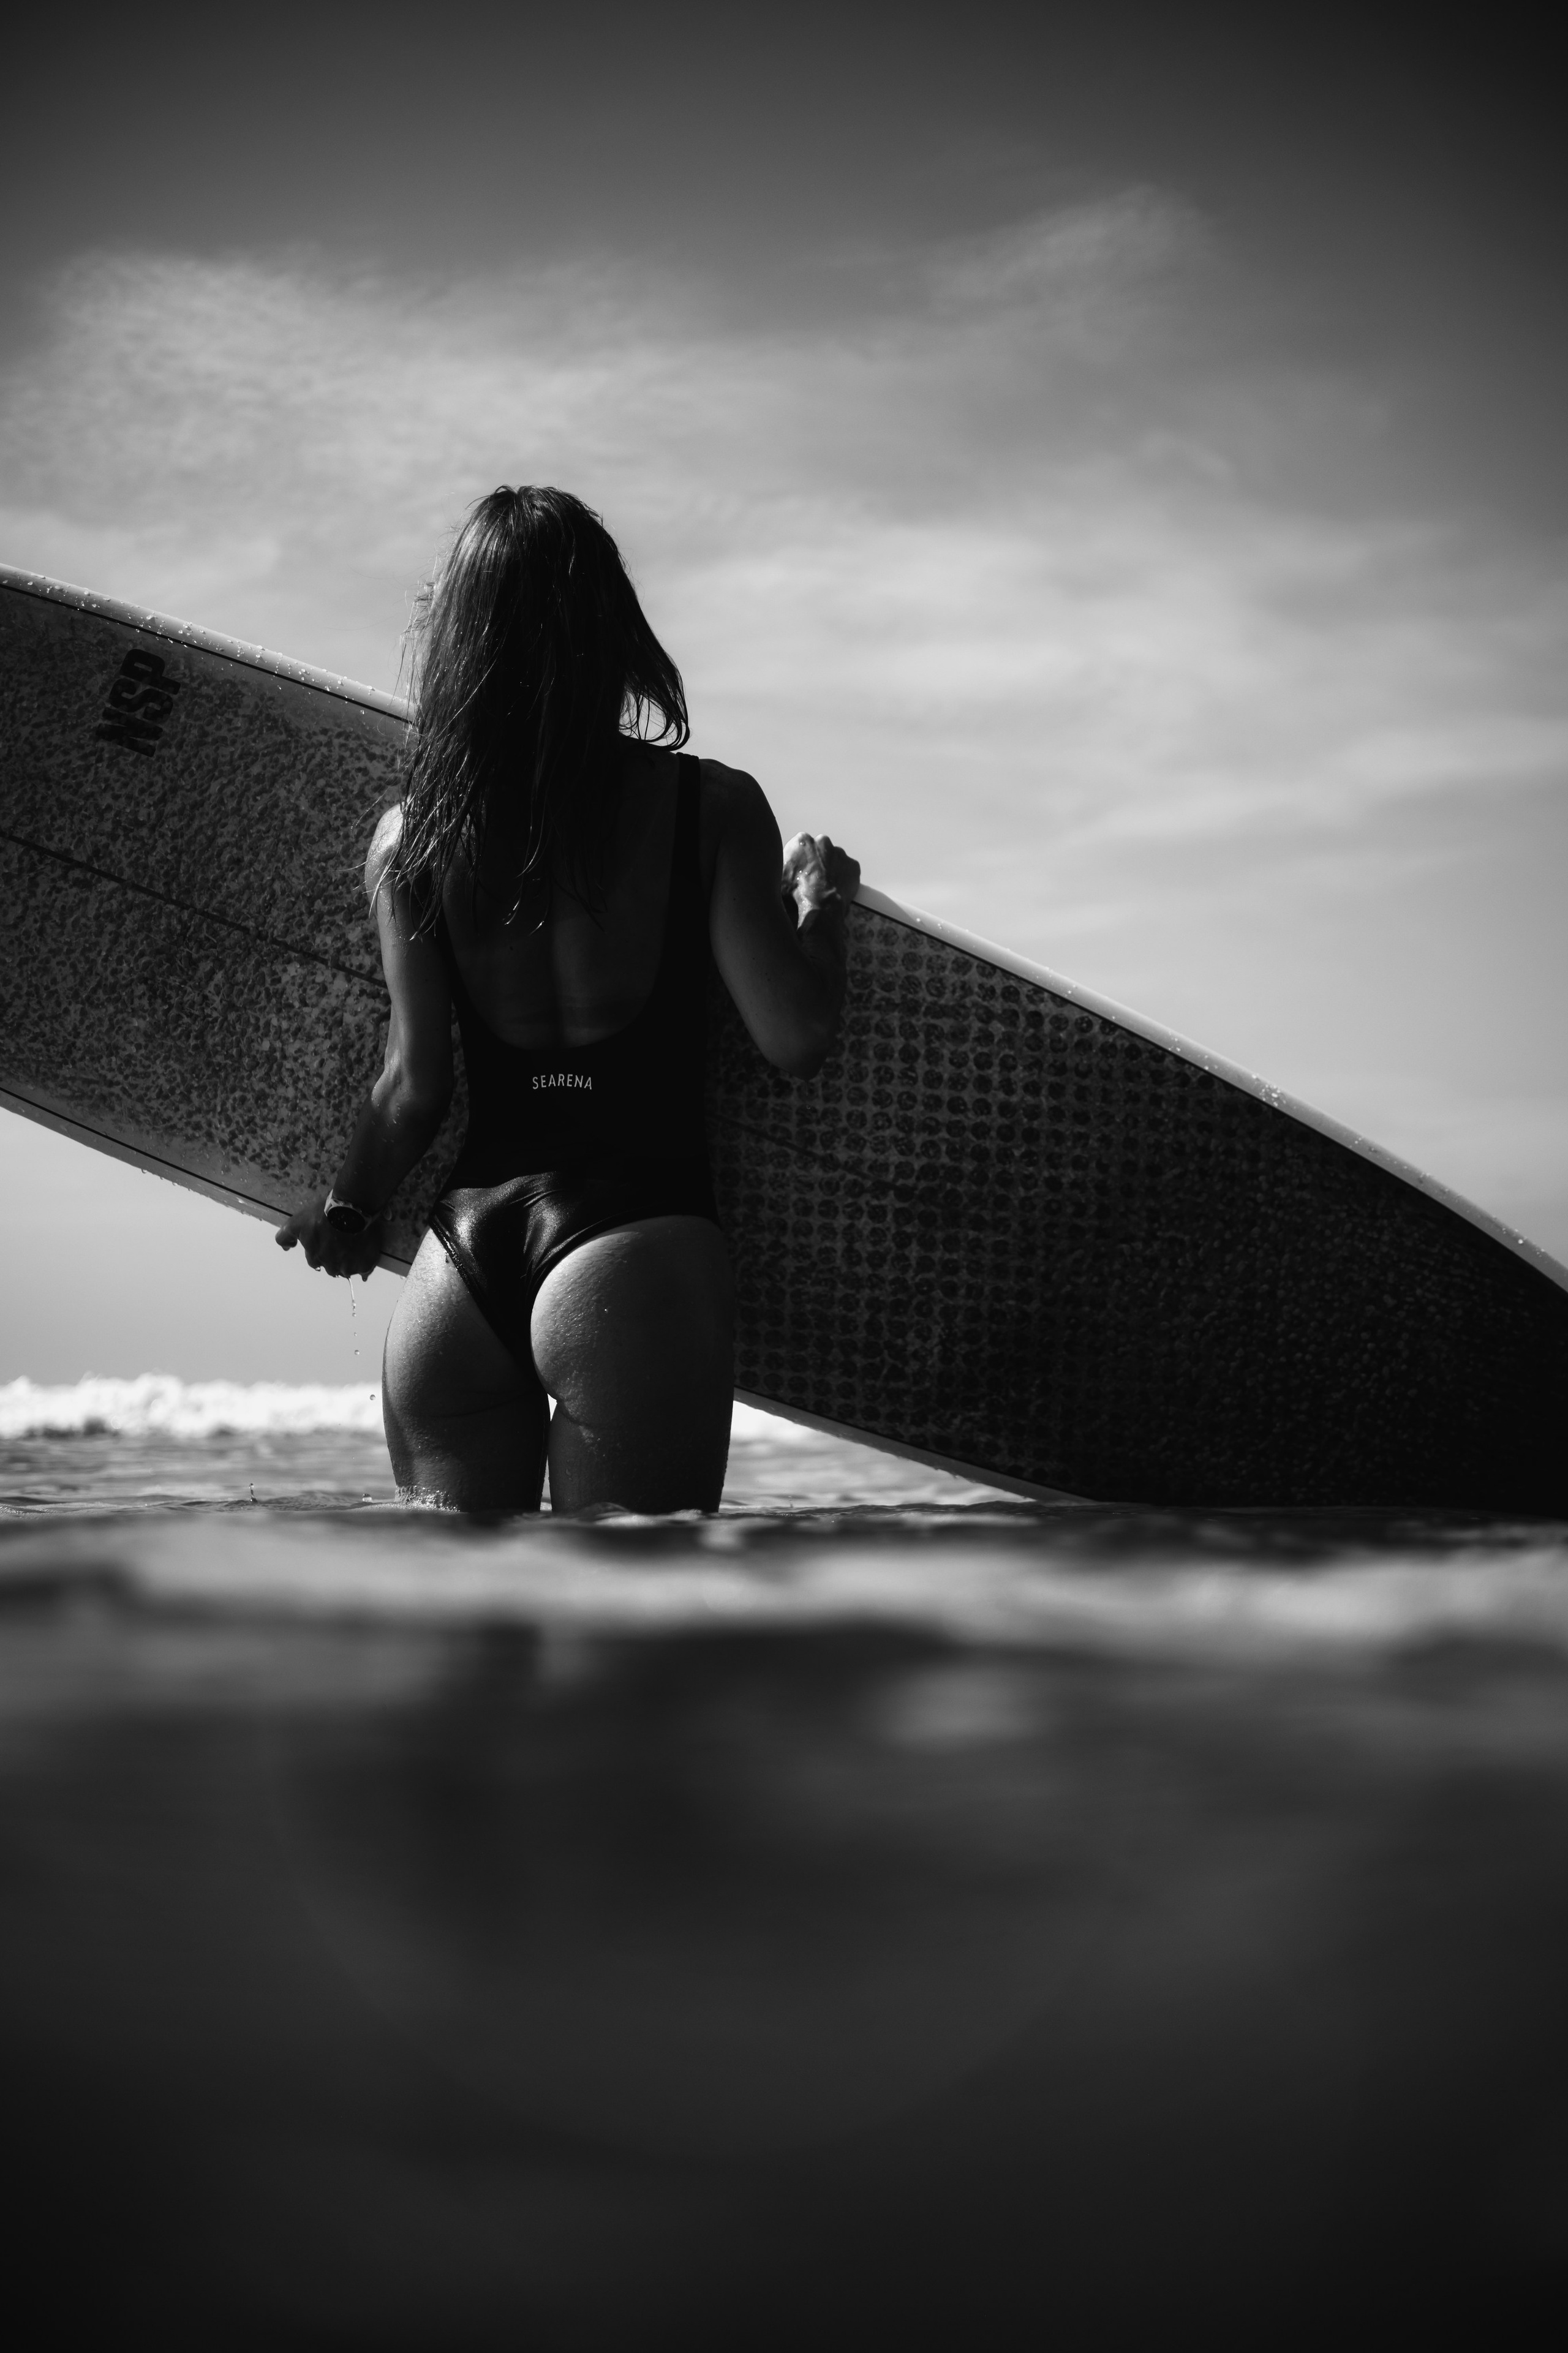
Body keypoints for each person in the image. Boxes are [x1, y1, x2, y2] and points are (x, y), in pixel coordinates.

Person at [277, 486, 858, 1513]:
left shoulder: (407, 842)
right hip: (632, 1256)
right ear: (610, 628)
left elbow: (412, 1084)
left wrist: (351, 1206)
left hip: (458, 1276)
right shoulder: (709, 809)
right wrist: (822, 911)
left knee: (469, 1648)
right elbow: (796, 1034)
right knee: (625, 1646)